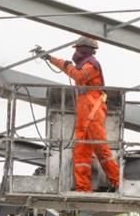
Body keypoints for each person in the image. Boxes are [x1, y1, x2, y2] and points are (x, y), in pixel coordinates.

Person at [42, 36, 120, 192]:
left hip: (93, 109)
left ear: (85, 49)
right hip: (85, 111)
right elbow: (70, 69)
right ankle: (83, 187)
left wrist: (68, 66)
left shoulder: (91, 65)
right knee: (81, 150)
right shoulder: (84, 64)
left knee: (100, 147)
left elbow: (78, 76)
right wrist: (50, 58)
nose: (76, 52)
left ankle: (118, 182)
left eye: (78, 49)